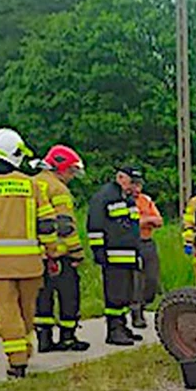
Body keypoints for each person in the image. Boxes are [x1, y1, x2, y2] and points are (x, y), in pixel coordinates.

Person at [0, 128, 59, 378]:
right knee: (26, 311)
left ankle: (17, 362)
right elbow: (47, 224)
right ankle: (24, 351)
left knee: (7, 313)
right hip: (31, 263)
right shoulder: (31, 184)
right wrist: (52, 253)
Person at [32, 145, 90, 352]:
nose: (72, 176)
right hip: (59, 253)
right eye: (71, 171)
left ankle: (44, 340)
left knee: (42, 296)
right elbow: (65, 225)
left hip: (36, 254)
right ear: (61, 168)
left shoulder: (32, 183)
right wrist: (76, 252)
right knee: (69, 294)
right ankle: (68, 337)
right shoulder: (58, 189)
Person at [87, 165, 143, 346]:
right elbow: (95, 224)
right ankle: (114, 330)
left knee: (126, 294)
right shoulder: (105, 196)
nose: (135, 187)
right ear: (120, 177)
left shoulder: (127, 198)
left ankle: (122, 326)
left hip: (127, 256)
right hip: (113, 256)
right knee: (115, 295)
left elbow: (131, 229)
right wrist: (98, 251)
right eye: (132, 182)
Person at [131, 175, 162, 329]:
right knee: (136, 279)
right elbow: (130, 223)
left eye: (139, 186)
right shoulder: (124, 202)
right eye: (134, 185)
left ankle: (146, 301)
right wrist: (146, 221)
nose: (137, 189)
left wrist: (143, 221)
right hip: (133, 243)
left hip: (148, 242)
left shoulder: (146, 200)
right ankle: (137, 312)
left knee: (152, 278)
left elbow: (158, 221)